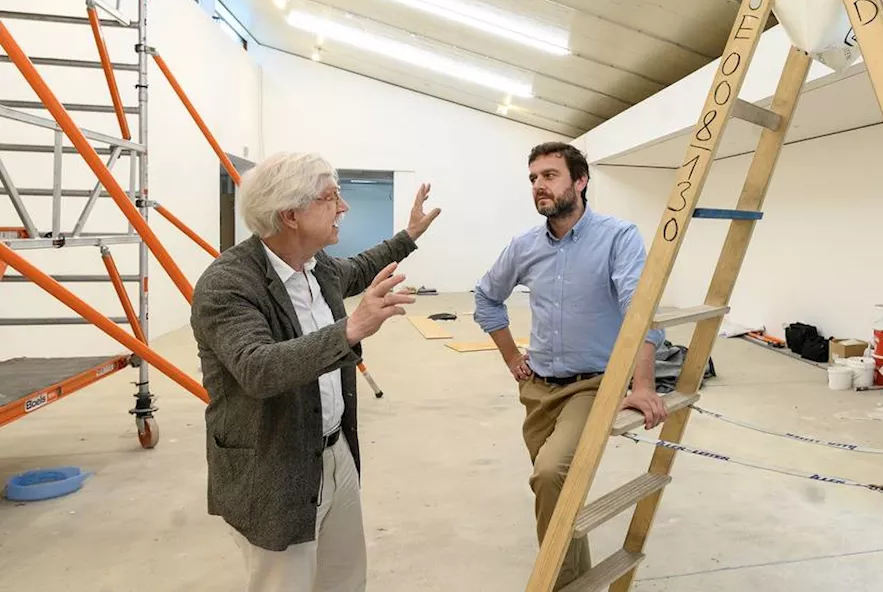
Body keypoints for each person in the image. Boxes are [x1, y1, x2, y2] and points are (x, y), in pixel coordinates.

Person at [191, 152, 440, 592]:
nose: (343, 208)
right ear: (290, 214)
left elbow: (360, 268)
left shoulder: (316, 266)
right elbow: (258, 368)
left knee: (345, 579)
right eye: (331, 198)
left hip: (334, 449)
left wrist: (409, 235)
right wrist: (351, 328)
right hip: (272, 467)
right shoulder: (227, 284)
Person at [473, 141, 669, 589]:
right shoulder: (524, 246)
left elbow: (640, 310)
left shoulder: (617, 237)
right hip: (539, 389)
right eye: (533, 178)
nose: (539, 186)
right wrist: (510, 357)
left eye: (550, 175)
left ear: (580, 182)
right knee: (559, 493)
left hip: (592, 385)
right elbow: (486, 297)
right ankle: (576, 575)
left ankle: (560, 585)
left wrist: (642, 385)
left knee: (549, 475)